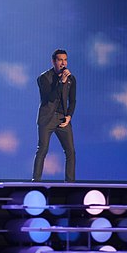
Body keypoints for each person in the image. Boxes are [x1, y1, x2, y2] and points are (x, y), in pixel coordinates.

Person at [32, 49, 76, 182]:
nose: (64, 63)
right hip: (47, 118)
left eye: (65, 60)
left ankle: (70, 183)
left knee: (70, 151)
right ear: (54, 61)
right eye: (60, 60)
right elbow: (49, 98)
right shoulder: (44, 78)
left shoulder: (71, 79)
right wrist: (61, 82)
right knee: (43, 149)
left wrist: (69, 116)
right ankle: (36, 182)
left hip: (63, 119)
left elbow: (73, 100)